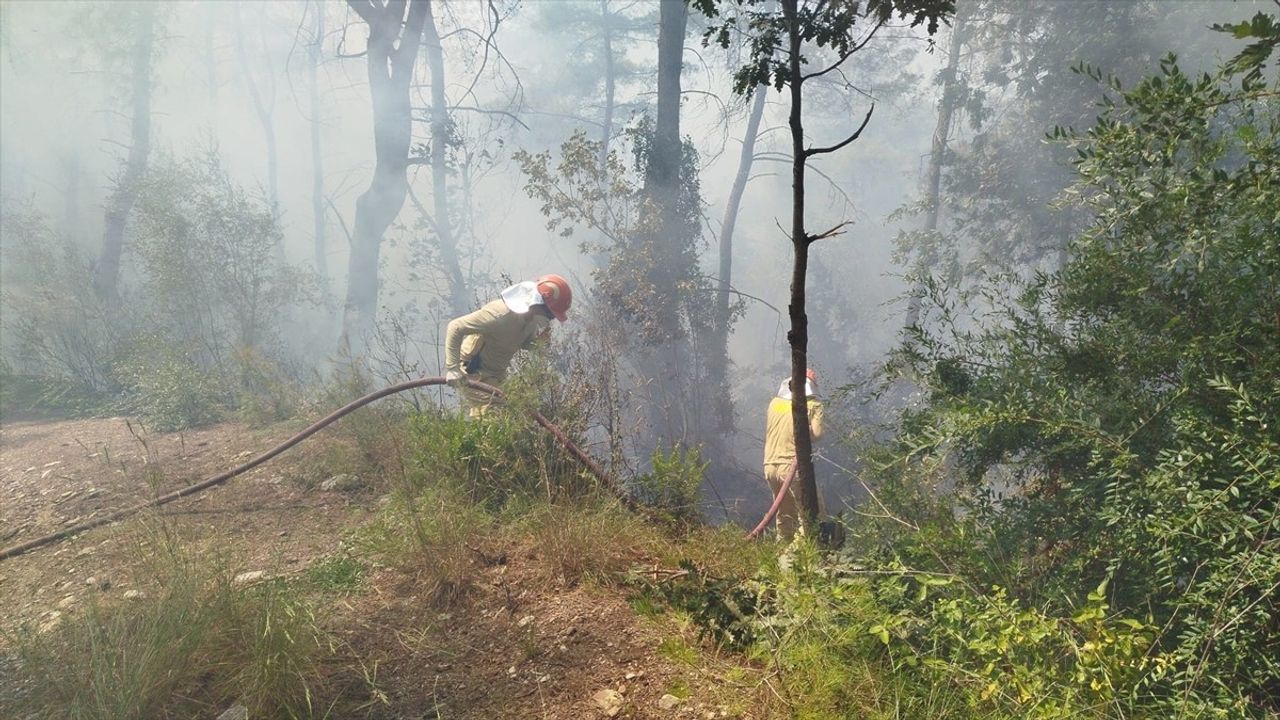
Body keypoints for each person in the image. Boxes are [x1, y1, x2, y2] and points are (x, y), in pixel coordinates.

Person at [444, 274, 572, 417]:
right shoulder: (499, 315)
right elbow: (455, 327)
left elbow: (522, 343)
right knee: (493, 415)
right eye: (550, 314)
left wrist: (538, 344)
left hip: (497, 376)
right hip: (473, 371)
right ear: (539, 303)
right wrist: (453, 369)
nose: (550, 318)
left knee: (517, 413)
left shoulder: (530, 322)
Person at [762, 368, 823, 542]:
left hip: (770, 467)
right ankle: (800, 555)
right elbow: (817, 435)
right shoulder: (813, 404)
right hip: (792, 468)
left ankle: (782, 553)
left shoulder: (774, 403)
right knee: (812, 513)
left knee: (785, 514)